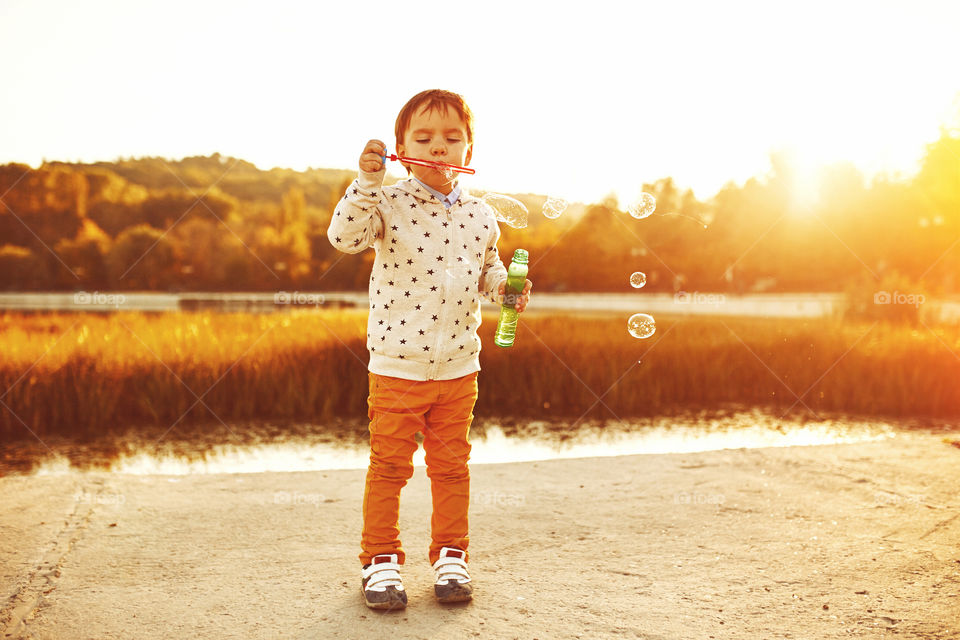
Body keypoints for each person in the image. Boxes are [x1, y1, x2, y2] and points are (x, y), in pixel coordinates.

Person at [327, 89, 532, 610]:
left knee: (451, 466)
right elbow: (344, 238)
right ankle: (380, 561)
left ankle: (450, 556)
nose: (438, 148)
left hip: (460, 366)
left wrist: (506, 287)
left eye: (451, 138)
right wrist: (367, 181)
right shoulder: (387, 202)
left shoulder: (482, 216)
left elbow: (487, 271)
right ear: (401, 148)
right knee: (390, 466)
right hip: (398, 365)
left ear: (468, 149)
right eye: (423, 138)